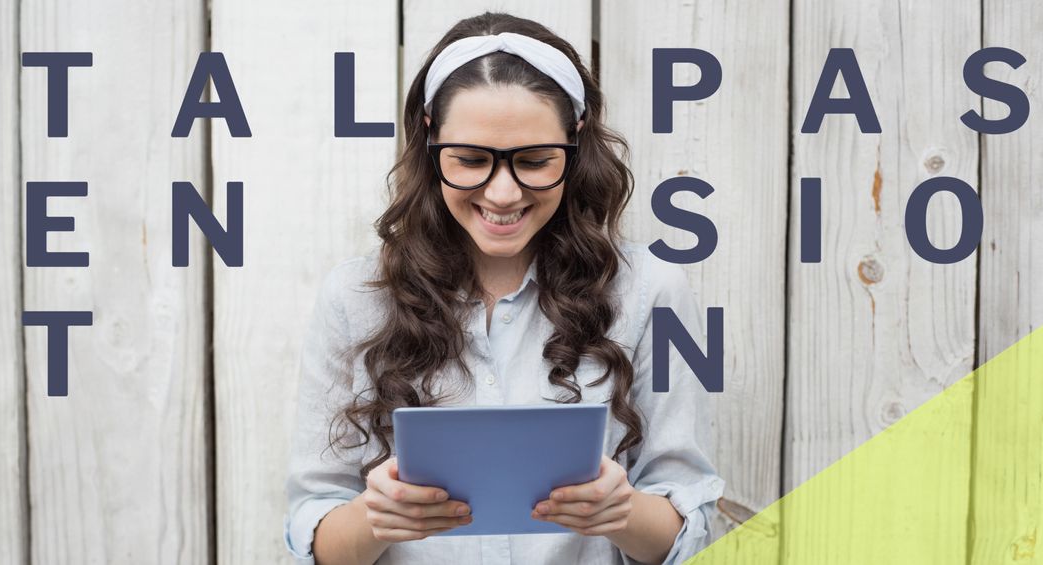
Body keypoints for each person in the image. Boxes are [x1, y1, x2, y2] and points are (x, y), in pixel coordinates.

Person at [284, 11, 724, 565]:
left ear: (576, 140)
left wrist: (622, 511)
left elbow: (688, 525)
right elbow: (314, 528)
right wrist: (374, 518)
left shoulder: (650, 291)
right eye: (469, 160)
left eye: (536, 161)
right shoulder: (354, 297)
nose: (502, 193)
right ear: (429, 138)